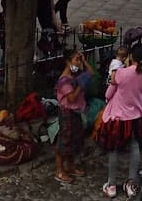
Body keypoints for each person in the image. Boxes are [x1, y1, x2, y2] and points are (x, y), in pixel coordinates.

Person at [95, 43, 142, 198]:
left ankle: (111, 184)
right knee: (135, 147)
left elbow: (108, 94)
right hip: (136, 116)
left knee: (114, 149)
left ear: (131, 56)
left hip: (119, 117)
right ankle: (131, 183)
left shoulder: (121, 73)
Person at [53, 49, 93, 184]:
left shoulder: (75, 76)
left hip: (75, 112)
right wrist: (80, 86)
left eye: (79, 59)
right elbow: (71, 98)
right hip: (67, 113)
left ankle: (70, 166)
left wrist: (84, 61)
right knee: (64, 141)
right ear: (68, 62)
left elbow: (91, 73)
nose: (78, 62)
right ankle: (60, 170)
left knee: (74, 140)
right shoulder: (64, 81)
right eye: (76, 60)